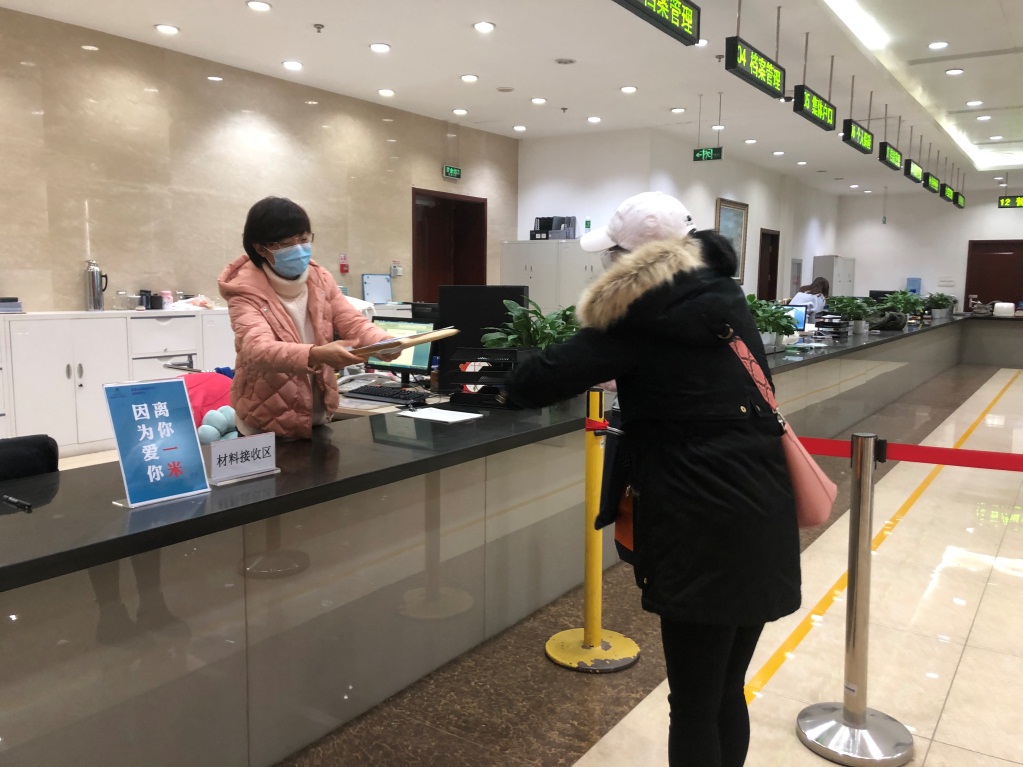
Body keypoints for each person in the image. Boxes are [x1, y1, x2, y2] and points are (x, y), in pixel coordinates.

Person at [501, 192, 801, 767]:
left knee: (692, 705)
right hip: (761, 511)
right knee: (724, 690)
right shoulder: (721, 295)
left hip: (700, 523)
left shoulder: (643, 311)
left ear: (632, 260)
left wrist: (491, 378)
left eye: (612, 253)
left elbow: (538, 381)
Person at [218, 196, 397, 439]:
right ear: (260, 248)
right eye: (286, 243)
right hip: (265, 422)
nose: (298, 249)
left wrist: (381, 341)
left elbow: (350, 320)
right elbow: (256, 349)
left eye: (303, 239)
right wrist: (317, 354)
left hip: (317, 415)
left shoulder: (320, 278)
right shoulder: (244, 290)